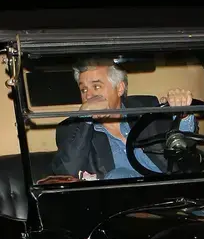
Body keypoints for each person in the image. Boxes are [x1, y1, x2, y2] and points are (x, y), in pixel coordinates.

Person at [50, 59, 196, 180]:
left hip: (173, 195)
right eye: (84, 90)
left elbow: (184, 143)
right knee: (118, 176)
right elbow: (66, 172)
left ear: (119, 88)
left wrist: (182, 112)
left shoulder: (146, 107)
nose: (88, 96)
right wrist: (84, 118)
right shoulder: (72, 128)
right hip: (124, 207)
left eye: (96, 86)